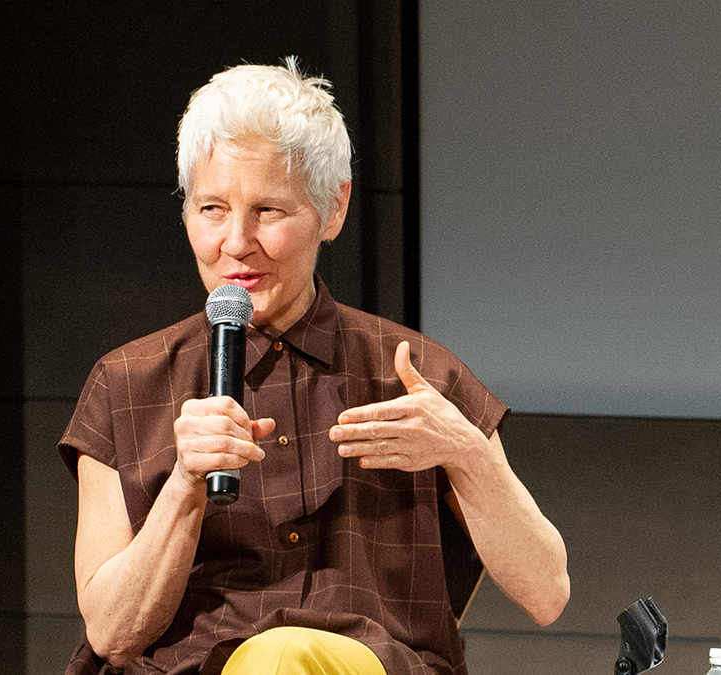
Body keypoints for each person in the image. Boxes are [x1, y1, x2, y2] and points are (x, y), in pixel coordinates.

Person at [58, 57, 569, 675]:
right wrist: (185, 488)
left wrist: (466, 453)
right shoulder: (126, 384)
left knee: (286, 657)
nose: (236, 243)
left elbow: (547, 593)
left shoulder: (415, 374)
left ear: (333, 209)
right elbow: (112, 634)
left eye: (269, 212)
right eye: (212, 209)